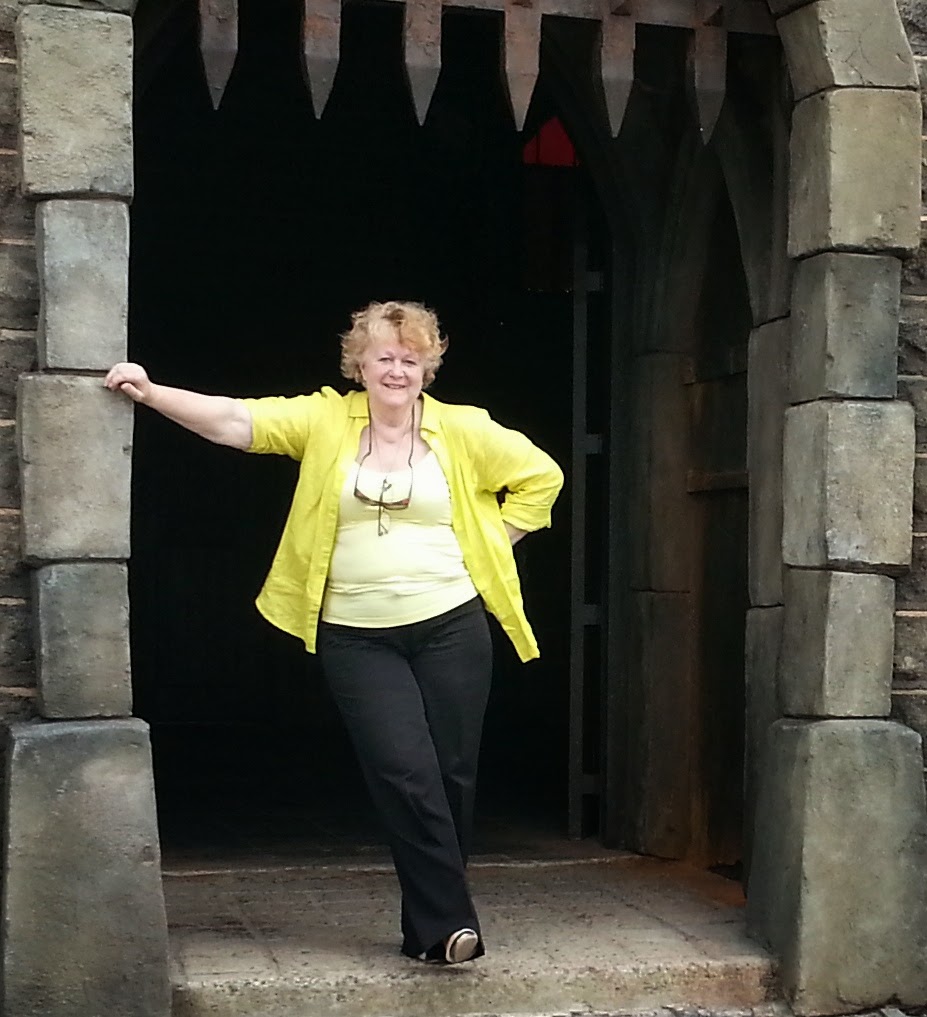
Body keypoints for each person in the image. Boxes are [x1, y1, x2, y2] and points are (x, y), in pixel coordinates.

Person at [105, 300, 563, 965]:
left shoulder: (464, 429)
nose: (397, 370)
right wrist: (151, 393)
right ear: (359, 364)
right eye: (385, 357)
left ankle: (430, 930)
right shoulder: (325, 421)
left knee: (450, 774)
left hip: (451, 625)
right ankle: (451, 921)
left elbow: (541, 478)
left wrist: (489, 545)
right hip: (357, 634)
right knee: (404, 768)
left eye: (411, 359)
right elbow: (236, 420)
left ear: (428, 367)